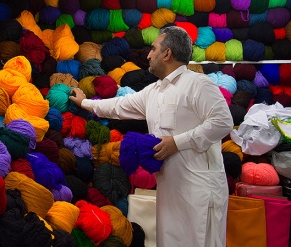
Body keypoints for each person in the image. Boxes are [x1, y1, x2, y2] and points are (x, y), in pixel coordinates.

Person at [69, 26, 234, 247]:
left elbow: (223, 122)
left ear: (167, 54)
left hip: (200, 193)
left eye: (153, 49)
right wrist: (84, 103)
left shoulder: (199, 84)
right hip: (170, 190)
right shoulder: (154, 91)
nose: (148, 54)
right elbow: (119, 105)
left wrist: (177, 143)